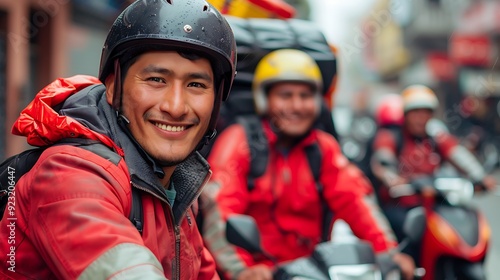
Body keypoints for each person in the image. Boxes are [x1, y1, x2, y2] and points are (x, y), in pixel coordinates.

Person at [0, 0, 236, 279]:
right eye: (156, 79)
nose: (176, 106)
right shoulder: (69, 174)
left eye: (196, 85)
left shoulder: (170, 185)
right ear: (113, 87)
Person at [201, 49, 415, 280]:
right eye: (285, 95)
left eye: (305, 96)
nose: (297, 105)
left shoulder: (323, 148)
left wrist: (388, 254)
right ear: (265, 99)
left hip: (317, 271)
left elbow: (356, 200)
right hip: (260, 273)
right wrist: (242, 270)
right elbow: (220, 210)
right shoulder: (239, 140)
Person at [370, 84, 497, 261]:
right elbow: (383, 161)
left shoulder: (436, 137)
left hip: (434, 205)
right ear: (405, 115)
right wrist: (392, 178)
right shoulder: (391, 136)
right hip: (401, 207)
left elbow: (458, 154)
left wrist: (480, 176)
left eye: (426, 112)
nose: (421, 118)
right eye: (416, 112)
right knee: (411, 234)